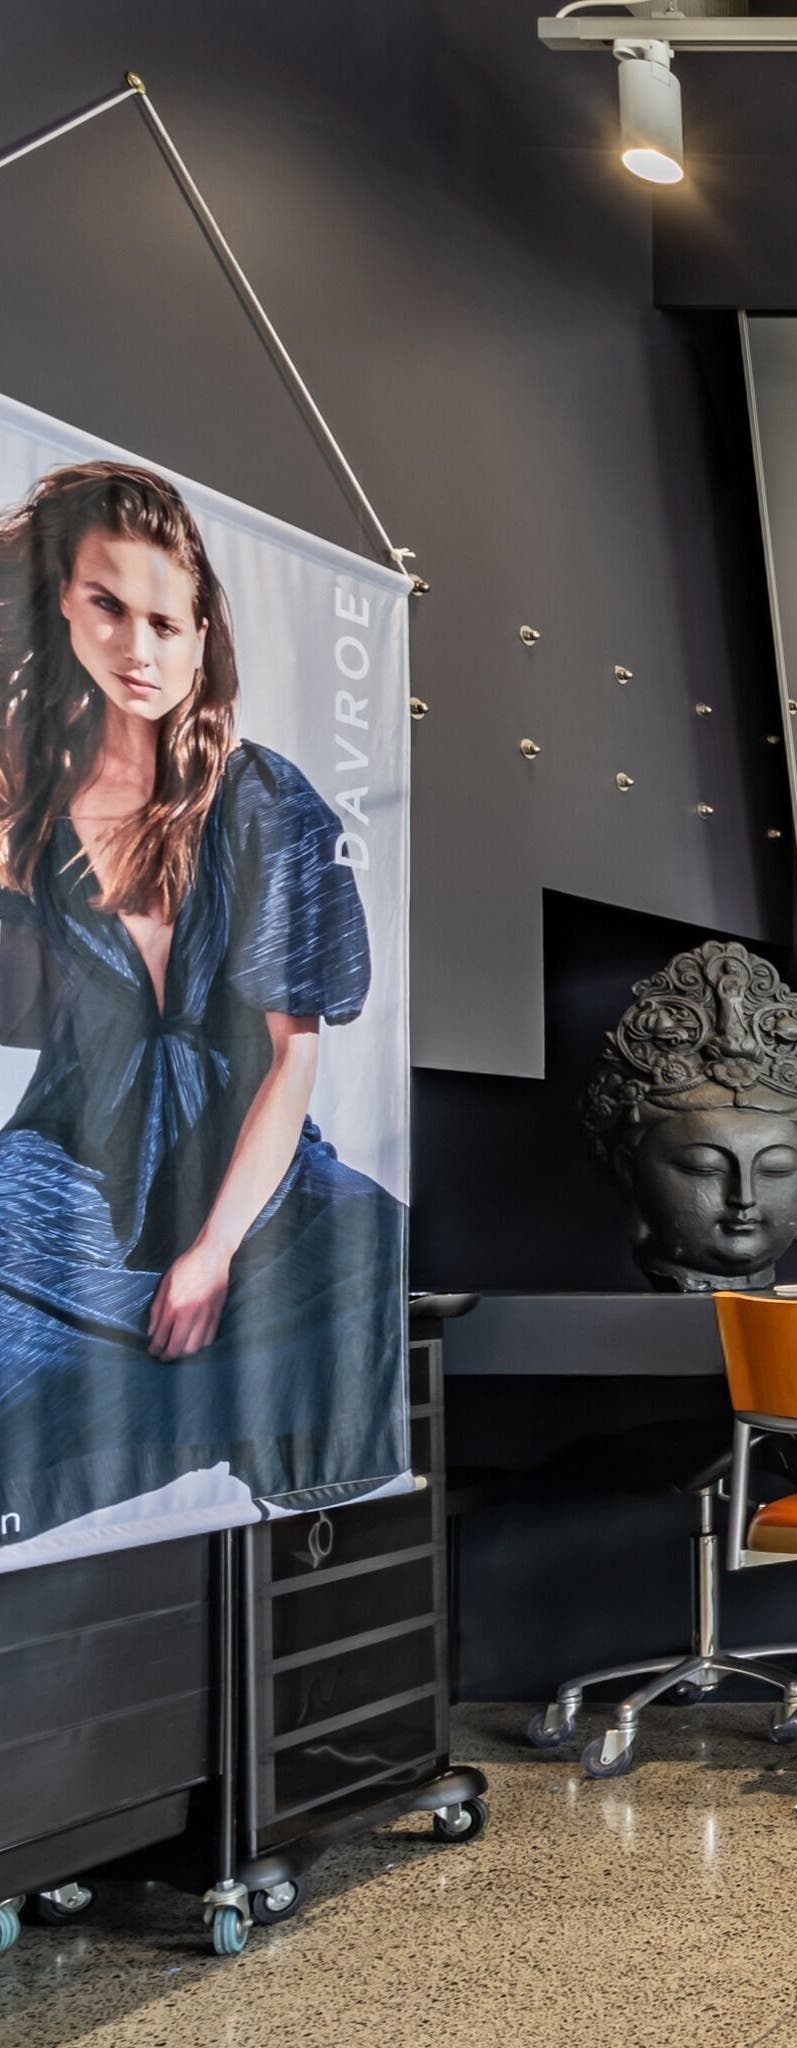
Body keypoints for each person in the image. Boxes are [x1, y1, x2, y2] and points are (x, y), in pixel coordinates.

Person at [0, 461, 402, 1541]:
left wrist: (214, 1250)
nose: (141, 649)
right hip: (74, 1156)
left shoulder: (262, 799)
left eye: (168, 623)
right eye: (108, 607)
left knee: (372, 1259)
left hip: (249, 1164)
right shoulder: (26, 805)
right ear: (61, 608)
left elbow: (291, 1057)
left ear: (202, 636)